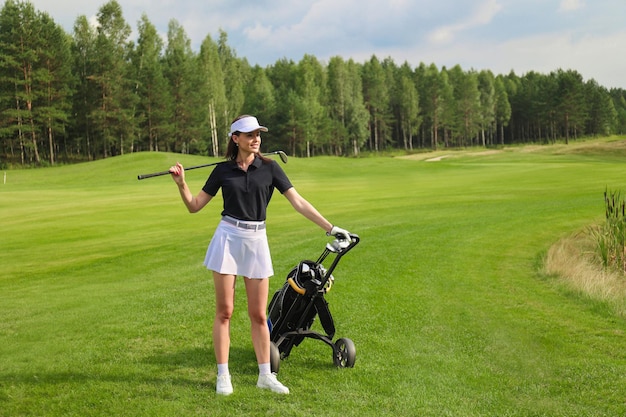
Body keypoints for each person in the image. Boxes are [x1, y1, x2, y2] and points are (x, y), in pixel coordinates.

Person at [169, 115, 351, 395]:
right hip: (228, 238)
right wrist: (182, 183)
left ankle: (265, 375)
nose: (256, 138)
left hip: (256, 240)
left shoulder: (270, 168)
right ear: (235, 139)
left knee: (257, 314)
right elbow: (194, 206)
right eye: (249, 134)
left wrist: (331, 228)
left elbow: (298, 202)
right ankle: (223, 375)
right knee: (225, 312)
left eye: (258, 134)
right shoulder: (222, 171)